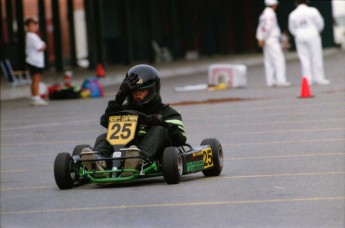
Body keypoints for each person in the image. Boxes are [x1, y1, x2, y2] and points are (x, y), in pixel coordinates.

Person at [81, 64, 187, 176]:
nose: (137, 94)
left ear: (153, 90)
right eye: (134, 91)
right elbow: (105, 122)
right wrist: (119, 98)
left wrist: (162, 123)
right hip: (125, 151)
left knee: (158, 130)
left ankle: (137, 159)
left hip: (156, 154)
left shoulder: (166, 112)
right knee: (104, 136)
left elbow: (180, 139)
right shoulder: (125, 110)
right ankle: (99, 162)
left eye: (142, 91)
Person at [288, 0, 330, 85]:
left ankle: (307, 79)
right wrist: (316, 31)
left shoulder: (293, 14)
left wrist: (297, 33)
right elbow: (320, 23)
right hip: (312, 33)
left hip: (300, 34)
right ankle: (318, 78)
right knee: (316, 56)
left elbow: (291, 28)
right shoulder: (313, 11)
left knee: (304, 58)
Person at [256, 0, 290, 88]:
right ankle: (281, 80)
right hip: (271, 39)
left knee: (268, 61)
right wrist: (263, 38)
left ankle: (270, 81)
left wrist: (260, 37)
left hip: (266, 40)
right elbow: (268, 26)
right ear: (274, 5)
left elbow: (261, 27)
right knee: (279, 59)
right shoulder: (271, 14)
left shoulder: (263, 14)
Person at [25, 17, 48, 105]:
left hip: (35, 61)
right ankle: (36, 97)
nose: (34, 27)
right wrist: (44, 45)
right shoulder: (31, 36)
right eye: (32, 25)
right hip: (34, 61)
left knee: (35, 79)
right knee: (36, 79)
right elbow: (40, 47)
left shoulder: (32, 36)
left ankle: (35, 96)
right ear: (28, 26)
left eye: (35, 25)